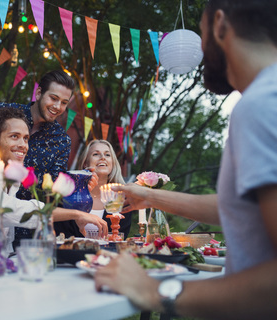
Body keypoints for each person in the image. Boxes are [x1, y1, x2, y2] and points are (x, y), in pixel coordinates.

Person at [94, 1, 277, 318]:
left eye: (202, 34)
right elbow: (240, 210)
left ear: (220, 24)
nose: (202, 49)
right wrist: (150, 196)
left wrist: (156, 290)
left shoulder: (261, 105)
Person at [0, 108, 107, 252]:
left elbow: (7, 242)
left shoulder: (12, 181)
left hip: (0, 265)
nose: (23, 144)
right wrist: (76, 214)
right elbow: (4, 209)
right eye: (14, 136)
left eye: (26, 138)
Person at [0, 69, 75, 243]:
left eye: (64, 103)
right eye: (54, 98)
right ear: (39, 92)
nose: (57, 107)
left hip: (28, 228)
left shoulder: (62, 140)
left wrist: (79, 186)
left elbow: (52, 188)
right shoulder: (4, 113)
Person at [77, 139, 131, 239]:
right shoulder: (74, 194)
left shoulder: (122, 198)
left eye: (107, 155)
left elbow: (121, 237)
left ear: (113, 163)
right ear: (85, 163)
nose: (102, 158)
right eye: (96, 154)